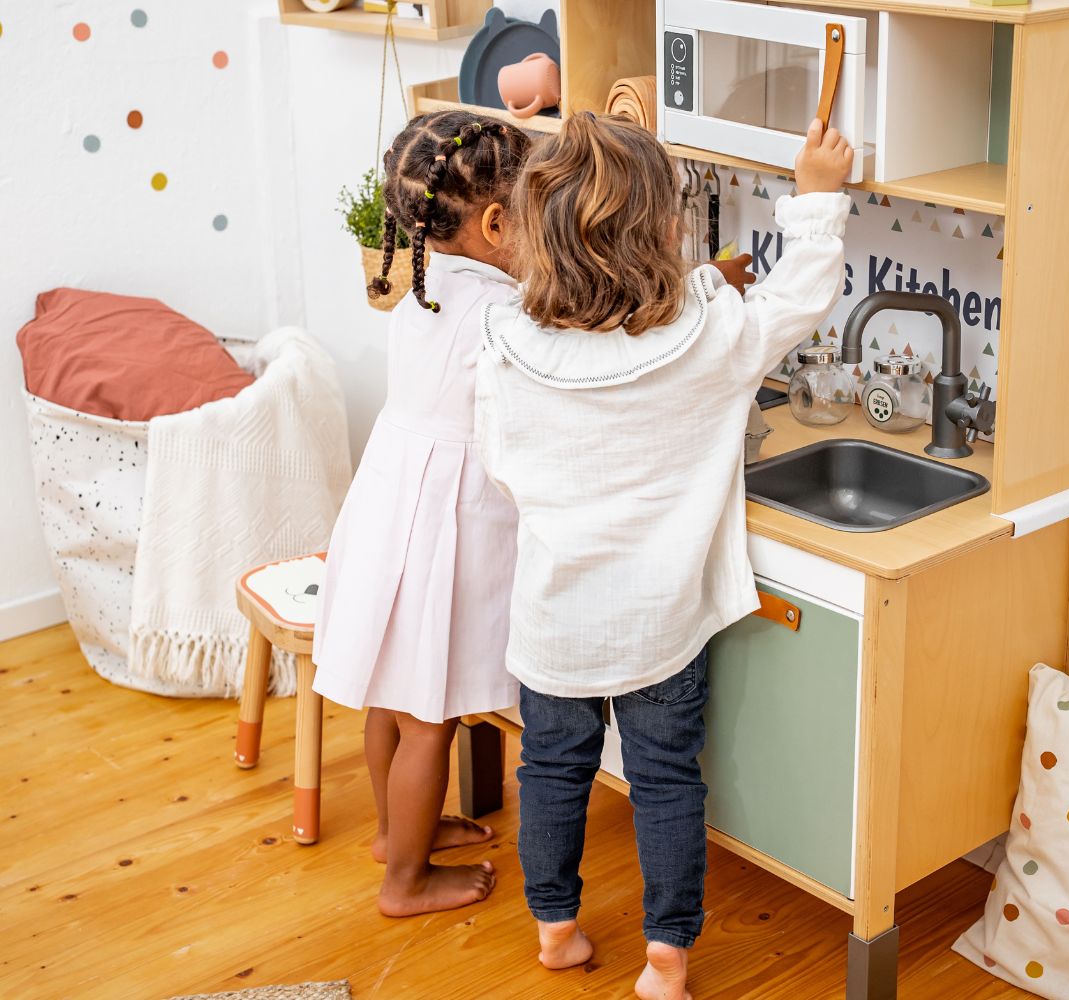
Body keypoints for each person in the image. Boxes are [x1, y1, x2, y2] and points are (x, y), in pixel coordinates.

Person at [474, 112, 857, 999]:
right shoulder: (713, 339)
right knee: (666, 782)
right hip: (661, 624)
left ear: (534, 230)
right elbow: (800, 296)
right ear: (666, 229)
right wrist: (818, 195)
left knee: (552, 773)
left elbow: (501, 469)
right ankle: (667, 962)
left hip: (554, 621)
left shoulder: (505, 352)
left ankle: (557, 931)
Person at [312, 110, 530, 917]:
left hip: (390, 498)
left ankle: (397, 832)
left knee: (390, 696)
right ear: (497, 223)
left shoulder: (417, 283)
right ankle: (404, 880)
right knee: (431, 717)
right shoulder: (502, 313)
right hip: (446, 519)